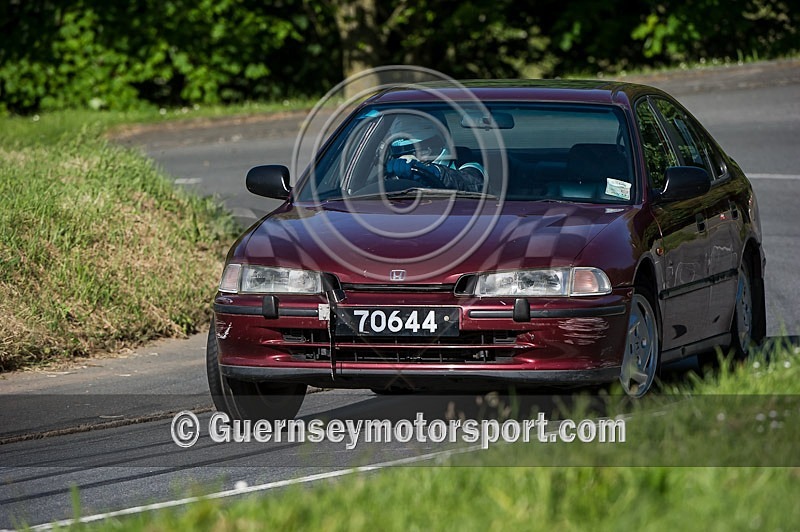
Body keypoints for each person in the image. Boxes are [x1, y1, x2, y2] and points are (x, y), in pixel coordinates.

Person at [383, 121, 485, 193]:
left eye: (418, 151)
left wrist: (432, 172)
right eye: (400, 153)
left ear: (434, 146)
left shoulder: (465, 162)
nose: (407, 157)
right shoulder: (394, 169)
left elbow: (473, 183)